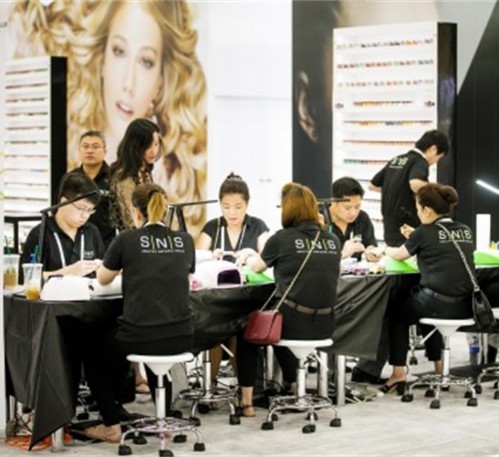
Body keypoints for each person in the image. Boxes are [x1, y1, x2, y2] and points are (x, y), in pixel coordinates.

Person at [9, 0, 208, 235]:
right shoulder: (116, 179)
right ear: (102, 59)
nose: (128, 82)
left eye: (146, 62)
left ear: (160, 81)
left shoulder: (156, 176)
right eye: (119, 51)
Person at [84, 183, 195, 442]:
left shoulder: (126, 239)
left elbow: (102, 278)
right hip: (182, 335)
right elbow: (185, 278)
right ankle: (164, 420)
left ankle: (112, 426)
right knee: (160, 355)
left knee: (93, 355)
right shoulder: (185, 240)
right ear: (164, 209)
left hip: (139, 336)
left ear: (135, 211)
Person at [235, 182, 341, 417]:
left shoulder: (281, 239)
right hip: (325, 324)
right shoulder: (332, 240)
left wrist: (249, 255)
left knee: (249, 333)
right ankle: (295, 387)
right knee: (282, 322)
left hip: (294, 323)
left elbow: (257, 267)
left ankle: (247, 403)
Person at [381, 183, 474, 393]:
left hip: (435, 303)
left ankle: (398, 373)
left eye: (418, 209)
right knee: (426, 308)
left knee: (398, 313)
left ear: (427, 210)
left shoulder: (424, 233)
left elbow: (398, 255)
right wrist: (415, 236)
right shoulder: (465, 230)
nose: (417, 213)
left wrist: (384, 249)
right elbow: (442, 246)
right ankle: (440, 368)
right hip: (465, 306)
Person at [196, 172, 270, 382]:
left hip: (247, 298)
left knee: (241, 329)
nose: (232, 212)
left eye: (238, 207)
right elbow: (196, 260)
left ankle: (244, 386)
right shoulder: (213, 227)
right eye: (226, 206)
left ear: (247, 204)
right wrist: (211, 256)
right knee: (213, 330)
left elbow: (267, 260)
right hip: (217, 298)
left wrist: (252, 255)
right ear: (220, 204)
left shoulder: (258, 226)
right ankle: (209, 384)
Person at [369, 130, 450, 247]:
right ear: (433, 149)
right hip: (408, 228)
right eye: (439, 158)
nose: (435, 162)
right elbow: (415, 183)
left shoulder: (397, 159)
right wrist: (437, 192)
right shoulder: (420, 162)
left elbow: (373, 185)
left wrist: (397, 189)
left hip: (389, 228)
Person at [21, 173, 104, 281]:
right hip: (52, 292)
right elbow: (26, 278)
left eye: (90, 210)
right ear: (64, 202)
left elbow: (103, 269)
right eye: (81, 208)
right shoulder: (40, 234)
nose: (85, 215)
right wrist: (67, 272)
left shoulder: (91, 232)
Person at [109, 118, 160, 232]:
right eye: (148, 146)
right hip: (134, 238)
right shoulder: (125, 177)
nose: (154, 151)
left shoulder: (145, 172)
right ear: (135, 146)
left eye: (156, 144)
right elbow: (130, 221)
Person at [67, 130, 115, 249]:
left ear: (105, 151)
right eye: (85, 146)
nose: (89, 151)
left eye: (95, 147)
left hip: (107, 242)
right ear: (79, 150)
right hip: (75, 242)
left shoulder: (115, 178)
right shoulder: (70, 179)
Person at [325, 177, 380, 261]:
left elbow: (371, 245)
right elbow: (313, 260)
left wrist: (372, 253)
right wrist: (342, 254)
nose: (353, 213)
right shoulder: (318, 219)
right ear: (333, 202)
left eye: (357, 207)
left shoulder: (362, 218)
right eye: (347, 208)